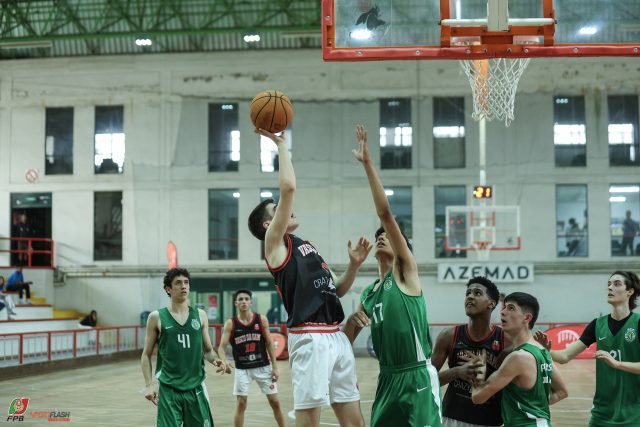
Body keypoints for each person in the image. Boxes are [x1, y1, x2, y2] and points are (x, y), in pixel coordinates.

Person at [247, 128, 371, 427]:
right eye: (278, 211)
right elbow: (288, 188)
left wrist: (353, 266)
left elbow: (335, 291)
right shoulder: (275, 246)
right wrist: (280, 144)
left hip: (336, 335)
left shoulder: (306, 246)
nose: (288, 209)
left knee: (354, 420)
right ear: (269, 223)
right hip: (310, 336)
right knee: (308, 420)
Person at [343, 124, 442, 427]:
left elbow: (385, 214)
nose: (382, 236)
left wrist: (368, 163)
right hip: (387, 378)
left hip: (416, 376)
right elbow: (345, 344)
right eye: (380, 236)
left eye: (388, 235)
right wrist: (349, 325)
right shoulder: (369, 294)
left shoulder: (407, 275)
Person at [534, 271, 640, 427]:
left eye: (616, 284)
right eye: (609, 284)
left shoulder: (637, 323)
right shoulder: (597, 325)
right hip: (601, 413)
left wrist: (617, 364)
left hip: (634, 412)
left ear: (629, 292)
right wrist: (545, 350)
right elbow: (564, 356)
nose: (610, 288)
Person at [140, 267, 231, 427]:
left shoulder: (200, 315)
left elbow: (208, 351)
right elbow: (146, 355)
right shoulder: (156, 317)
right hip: (169, 388)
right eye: (178, 283)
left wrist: (217, 360)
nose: (184, 286)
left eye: (186, 283)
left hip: (196, 386)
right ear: (168, 289)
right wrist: (149, 384)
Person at [470, 292, 568, 427]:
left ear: (527, 317)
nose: (503, 312)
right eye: (504, 307)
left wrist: (479, 371)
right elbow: (562, 392)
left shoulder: (518, 357)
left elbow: (478, 397)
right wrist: (531, 407)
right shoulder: (542, 350)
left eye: (511, 308)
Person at [431, 276, 506, 427]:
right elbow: (426, 380)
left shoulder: (505, 339)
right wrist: (457, 372)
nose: (470, 296)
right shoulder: (449, 336)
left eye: (477, 293)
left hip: (490, 420)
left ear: (491, 304)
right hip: (452, 418)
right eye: (468, 293)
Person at [218, 289, 286, 427]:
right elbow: (221, 347)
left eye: (246, 299)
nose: (244, 301)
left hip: (262, 365)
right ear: (236, 303)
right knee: (241, 403)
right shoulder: (231, 323)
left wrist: (275, 367)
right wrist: (223, 360)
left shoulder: (261, 319)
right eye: (241, 299)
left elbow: (269, 344)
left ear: (251, 302)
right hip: (243, 368)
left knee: (275, 402)